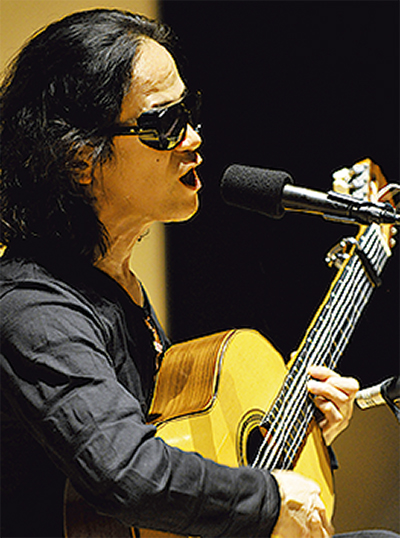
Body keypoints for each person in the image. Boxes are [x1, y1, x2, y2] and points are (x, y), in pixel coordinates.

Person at [0, 8, 398, 538]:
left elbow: (180, 452)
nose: (192, 138)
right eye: (164, 125)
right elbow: (127, 472)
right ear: (79, 160)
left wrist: (301, 433)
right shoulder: (31, 306)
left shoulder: (117, 289)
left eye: (189, 113)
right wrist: (267, 498)